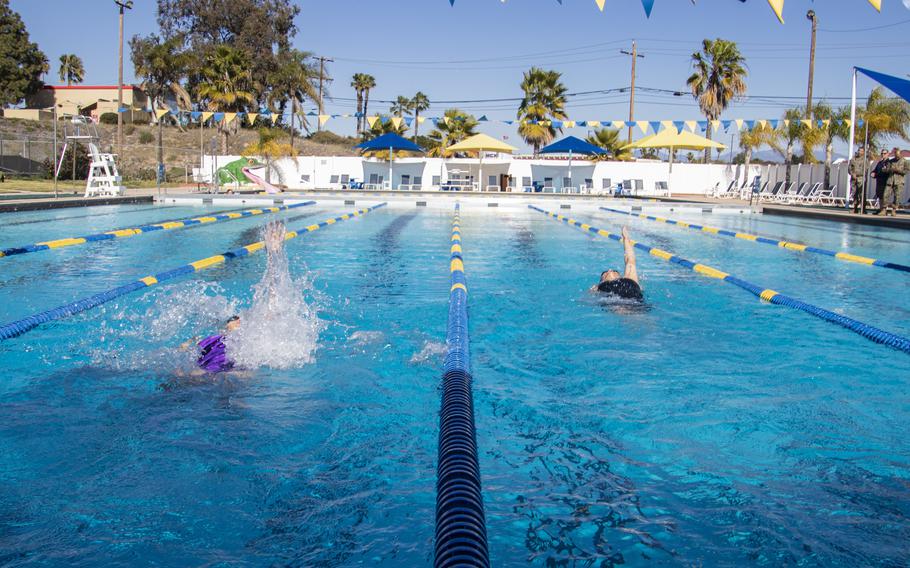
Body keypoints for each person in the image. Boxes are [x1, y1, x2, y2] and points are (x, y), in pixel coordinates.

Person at [591, 226, 643, 301]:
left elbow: (630, 260)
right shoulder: (600, 287)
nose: (609, 270)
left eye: (615, 271)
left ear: (620, 276)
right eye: (605, 273)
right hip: (622, 306)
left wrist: (625, 238)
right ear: (602, 280)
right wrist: (592, 290)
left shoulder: (628, 279)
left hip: (636, 306)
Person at [881, 147, 908, 217]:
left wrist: (898, 170)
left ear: (900, 154)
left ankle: (894, 210)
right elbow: (887, 170)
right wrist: (890, 169)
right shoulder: (891, 161)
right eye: (895, 154)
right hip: (890, 180)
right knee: (885, 195)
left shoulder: (905, 161)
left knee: (897, 197)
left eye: (898, 154)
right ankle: (884, 210)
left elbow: (906, 171)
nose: (897, 156)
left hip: (899, 181)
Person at [871, 149, 890, 214]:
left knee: (884, 196)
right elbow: (875, 170)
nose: (883, 155)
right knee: (879, 195)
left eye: (884, 153)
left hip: (885, 182)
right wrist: (873, 173)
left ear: (888, 154)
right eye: (882, 153)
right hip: (879, 181)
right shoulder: (880, 163)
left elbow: (888, 172)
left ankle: (884, 210)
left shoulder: (889, 162)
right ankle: (881, 208)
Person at [848, 147, 867, 213]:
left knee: (861, 194)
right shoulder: (853, 159)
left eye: (861, 151)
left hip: (861, 179)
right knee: (854, 193)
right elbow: (849, 168)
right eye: (859, 150)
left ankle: (863, 209)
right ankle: (855, 208)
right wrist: (852, 174)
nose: (860, 152)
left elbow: (865, 170)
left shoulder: (865, 160)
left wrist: (857, 174)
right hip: (853, 179)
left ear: (863, 152)